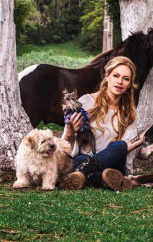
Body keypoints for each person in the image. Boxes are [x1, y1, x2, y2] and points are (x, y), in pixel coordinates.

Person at [59, 56, 146, 191]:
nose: (120, 81)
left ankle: (83, 174)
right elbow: (69, 149)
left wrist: (142, 139)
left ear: (129, 84)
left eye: (126, 78)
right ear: (107, 77)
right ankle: (99, 179)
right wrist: (70, 134)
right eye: (116, 75)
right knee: (80, 159)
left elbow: (122, 149)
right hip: (83, 159)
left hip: (113, 166)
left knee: (120, 145)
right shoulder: (86, 102)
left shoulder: (129, 112)